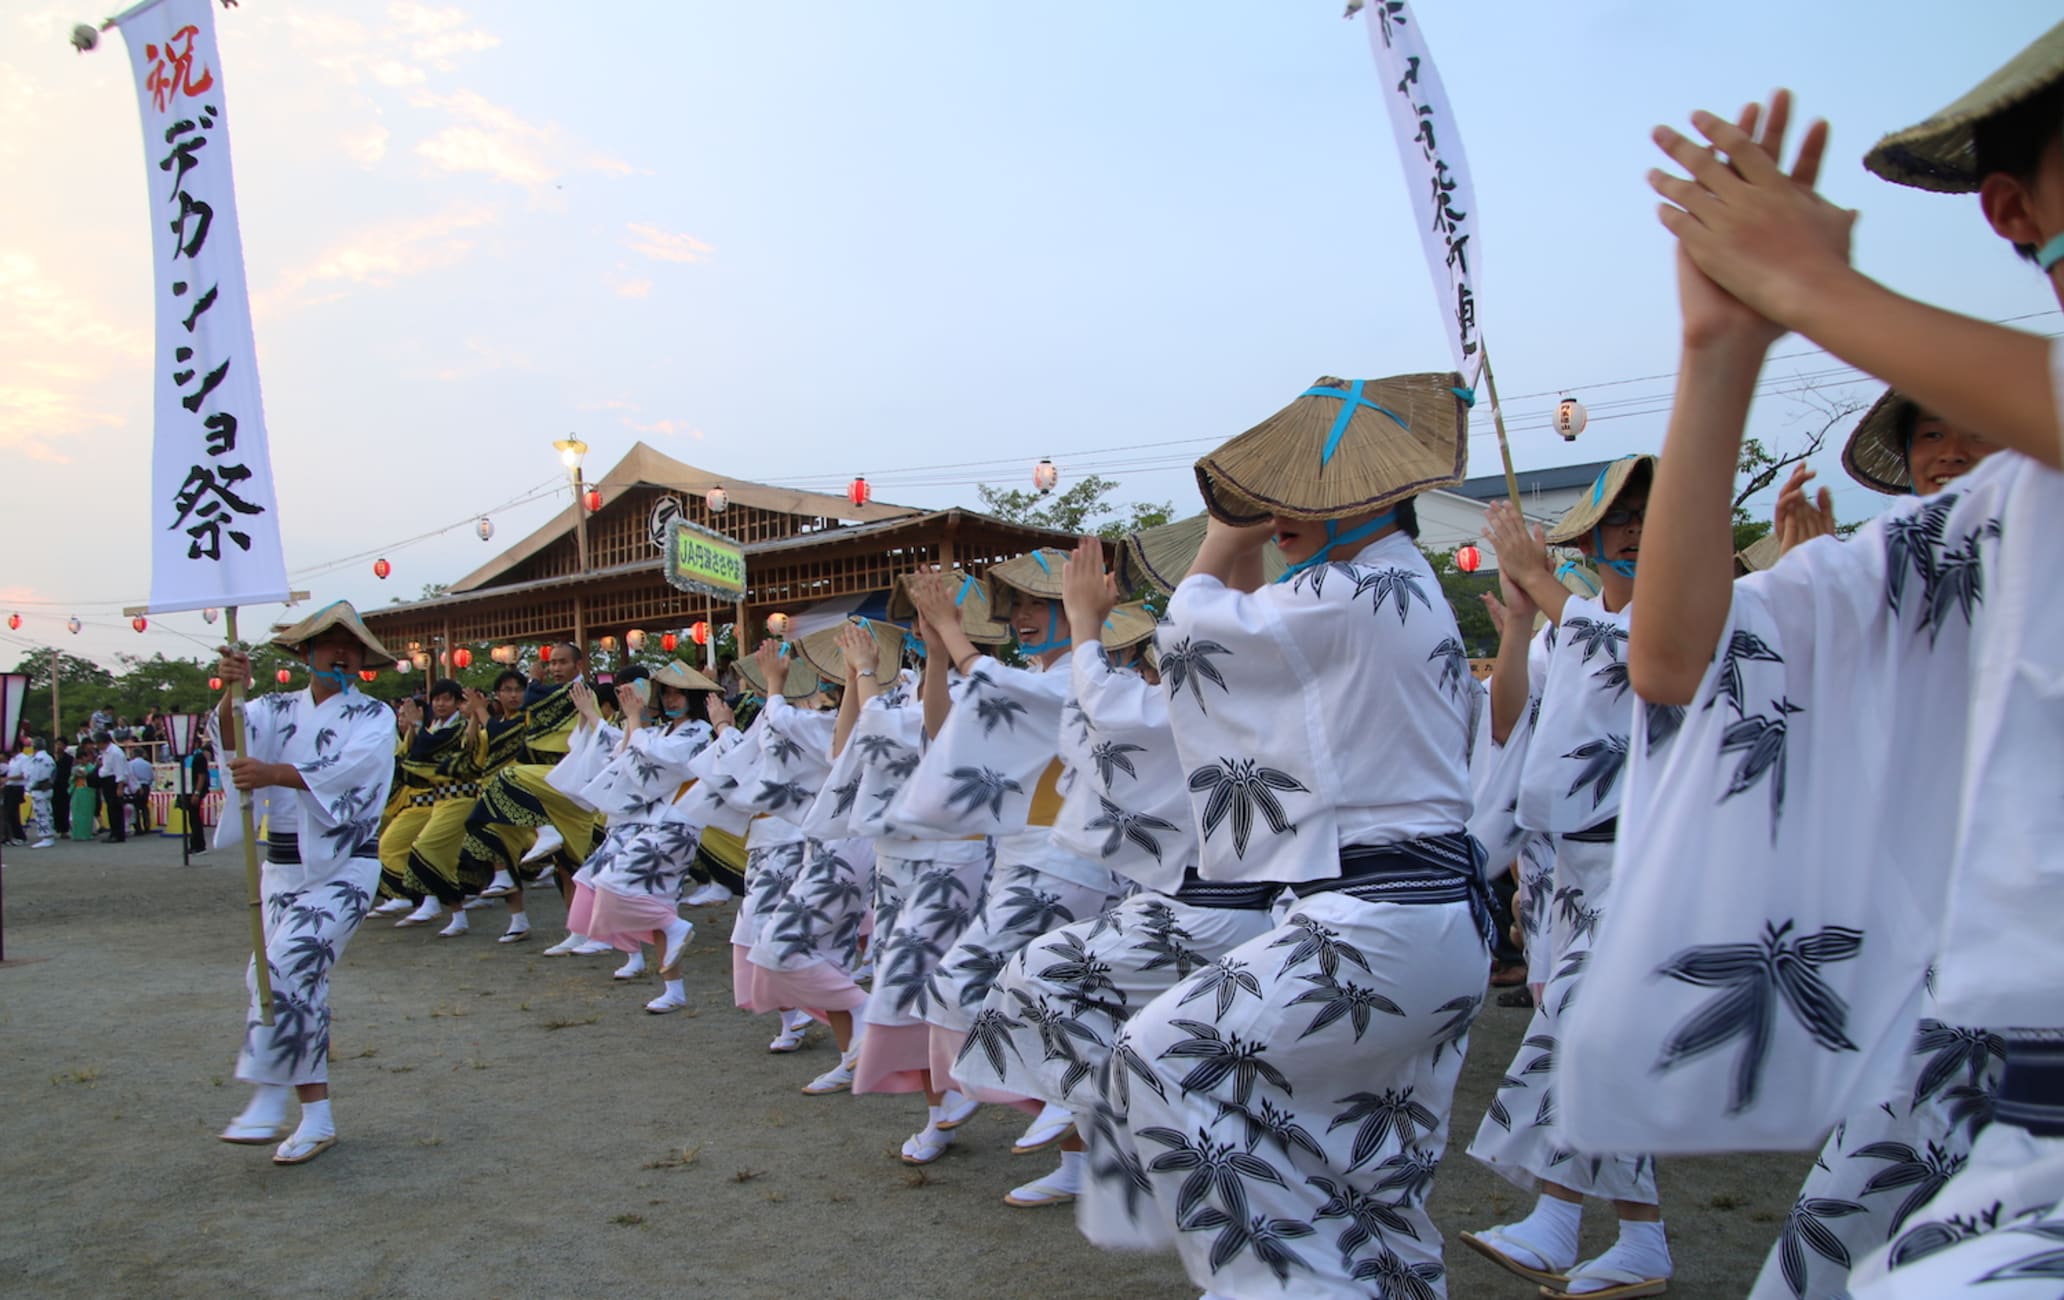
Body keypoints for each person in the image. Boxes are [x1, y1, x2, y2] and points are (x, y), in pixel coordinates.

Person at [1559, 59, 2064, 1298]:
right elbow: (1676, 656)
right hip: (1999, 1075)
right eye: (1932, 431)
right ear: (2011, 208)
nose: (1951, 447)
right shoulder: (1979, 523)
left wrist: (1812, 282)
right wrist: (1720, 349)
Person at [1083, 373, 1489, 1296]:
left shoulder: (1353, 590)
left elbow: (1190, 634)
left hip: (1384, 924)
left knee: (1161, 1057)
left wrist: (1226, 523)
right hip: (1420, 919)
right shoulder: (1390, 581)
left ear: (1374, 498)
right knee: (1364, 1158)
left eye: (1298, 500)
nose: (1281, 516)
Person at [1458, 458, 1674, 1299]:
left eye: (1653, 514)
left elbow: (1634, 653)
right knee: (1594, 1043)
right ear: (1595, 535)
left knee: (1584, 1036)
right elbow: (1511, 722)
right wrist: (1518, 623)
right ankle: (1637, 1237)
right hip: (1566, 865)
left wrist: (1543, 581)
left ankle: (1560, 1221)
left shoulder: (1674, 613)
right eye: (1623, 518)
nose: (1638, 530)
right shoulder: (1565, 626)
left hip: (1647, 859)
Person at [894, 555, 1122, 1206]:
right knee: (1066, 1002)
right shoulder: (1032, 677)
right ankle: (1078, 1158)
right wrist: (938, 652)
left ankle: (1045, 1087)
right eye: (1014, 604)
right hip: (1029, 857)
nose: (1020, 616)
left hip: (1068, 860)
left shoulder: (1088, 675)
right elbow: (943, 731)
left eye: (1034, 603)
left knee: (962, 982)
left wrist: (952, 633)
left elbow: (989, 684)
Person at [211, 601, 397, 1166]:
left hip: (346, 866)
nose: (341, 653)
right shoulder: (272, 707)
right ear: (305, 654)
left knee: (281, 968)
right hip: (283, 867)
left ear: (363, 660)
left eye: (351, 647)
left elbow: (350, 775)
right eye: (329, 644)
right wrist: (230, 691)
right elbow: (233, 735)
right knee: (291, 983)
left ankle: (268, 1094)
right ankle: (316, 1118)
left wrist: (272, 774)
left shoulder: (374, 717)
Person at [20, 738, 56, 849]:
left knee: (41, 813)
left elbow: (34, 775)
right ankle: (49, 835)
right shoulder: (49, 758)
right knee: (48, 811)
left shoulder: (38, 759)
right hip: (48, 788)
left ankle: (47, 837)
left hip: (39, 789)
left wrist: (29, 786)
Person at [95, 731, 127, 842]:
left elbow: (120, 771)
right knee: (110, 808)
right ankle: (113, 832)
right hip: (106, 780)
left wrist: (120, 787)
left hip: (113, 781)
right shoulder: (105, 752)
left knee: (115, 808)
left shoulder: (115, 752)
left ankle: (118, 834)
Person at [69, 741, 99, 843]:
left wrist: (85, 775)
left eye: (84, 758)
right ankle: (77, 834)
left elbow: (94, 778)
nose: (82, 760)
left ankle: (86, 833)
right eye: (80, 759)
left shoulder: (92, 768)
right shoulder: (75, 768)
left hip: (88, 791)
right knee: (77, 813)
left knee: (87, 813)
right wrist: (75, 776)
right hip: (78, 791)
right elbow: (71, 780)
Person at [185, 740, 211, 855]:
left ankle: (199, 845)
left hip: (195, 790)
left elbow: (201, 776)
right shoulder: (188, 757)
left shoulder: (199, 757)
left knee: (195, 818)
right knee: (192, 817)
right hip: (188, 788)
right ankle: (194, 843)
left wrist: (197, 792)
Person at [127, 744, 155, 834]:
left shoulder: (130, 764)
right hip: (146, 785)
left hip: (136, 786)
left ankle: (138, 828)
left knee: (135, 807)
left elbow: (131, 776)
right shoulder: (148, 764)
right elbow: (151, 777)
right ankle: (147, 826)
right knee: (144, 806)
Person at [3, 744, 28, 845]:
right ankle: (10, 836)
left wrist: (8, 779)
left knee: (12, 812)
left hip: (17, 787)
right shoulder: (12, 760)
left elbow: (23, 775)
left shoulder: (24, 759)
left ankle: (20, 836)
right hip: (9, 787)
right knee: (7, 813)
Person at [50, 737, 74, 840]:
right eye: (57, 744)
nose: (58, 746)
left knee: (64, 808)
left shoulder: (69, 758)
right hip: (53, 786)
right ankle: (56, 828)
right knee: (54, 807)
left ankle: (64, 830)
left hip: (64, 786)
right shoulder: (50, 757)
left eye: (61, 744)